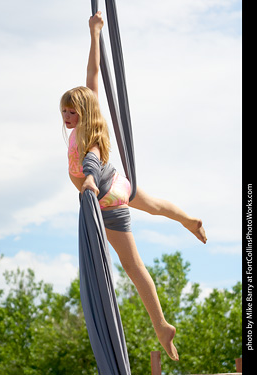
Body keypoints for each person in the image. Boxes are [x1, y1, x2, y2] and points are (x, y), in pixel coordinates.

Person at [60, 11, 207, 362]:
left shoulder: (87, 135)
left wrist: (90, 181)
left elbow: (92, 159)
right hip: (119, 183)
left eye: (71, 112)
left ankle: (160, 324)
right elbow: (92, 74)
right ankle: (187, 219)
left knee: (133, 266)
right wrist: (95, 34)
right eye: (63, 112)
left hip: (107, 195)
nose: (67, 118)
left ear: (83, 113)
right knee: (154, 204)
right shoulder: (93, 115)